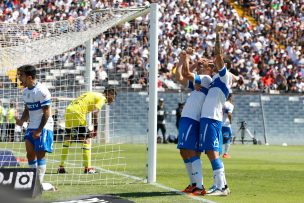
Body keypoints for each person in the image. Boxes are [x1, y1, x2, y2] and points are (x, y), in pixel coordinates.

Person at [199, 25, 235, 196]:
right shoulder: (215, 79)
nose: (213, 64)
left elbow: (218, 56)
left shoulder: (224, 76)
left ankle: (222, 187)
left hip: (212, 118)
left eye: (217, 63)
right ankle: (220, 185)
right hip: (209, 118)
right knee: (210, 152)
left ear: (224, 65)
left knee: (212, 152)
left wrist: (218, 34)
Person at [176, 48, 213, 195]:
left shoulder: (206, 79)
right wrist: (183, 59)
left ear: (211, 69)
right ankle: (194, 183)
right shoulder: (200, 80)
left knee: (191, 151)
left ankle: (199, 186)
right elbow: (179, 77)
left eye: (207, 63)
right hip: (188, 118)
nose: (202, 62)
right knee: (184, 151)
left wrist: (187, 57)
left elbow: (185, 74)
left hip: (193, 118)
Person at [57, 88, 117, 174]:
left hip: (69, 110)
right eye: (113, 96)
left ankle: (61, 167)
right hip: (78, 112)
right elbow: (95, 112)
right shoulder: (102, 98)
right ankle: (88, 168)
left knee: (68, 138)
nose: (113, 99)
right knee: (86, 140)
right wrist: (95, 128)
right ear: (108, 94)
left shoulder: (93, 93)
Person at [16, 65, 54, 184]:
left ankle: (39, 183)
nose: (19, 78)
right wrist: (22, 121)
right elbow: (27, 110)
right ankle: (33, 182)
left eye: (21, 75)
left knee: (40, 155)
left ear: (29, 77)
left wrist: (39, 130)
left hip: (44, 126)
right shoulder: (25, 92)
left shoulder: (42, 91)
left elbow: (47, 114)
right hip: (32, 125)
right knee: (30, 154)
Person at [222, 93, 234, 158]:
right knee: (228, 139)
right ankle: (225, 154)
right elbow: (229, 114)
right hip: (226, 124)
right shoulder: (230, 105)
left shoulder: (222, 103)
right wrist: (230, 121)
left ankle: (217, 152)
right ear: (230, 97)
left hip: (219, 123)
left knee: (219, 139)